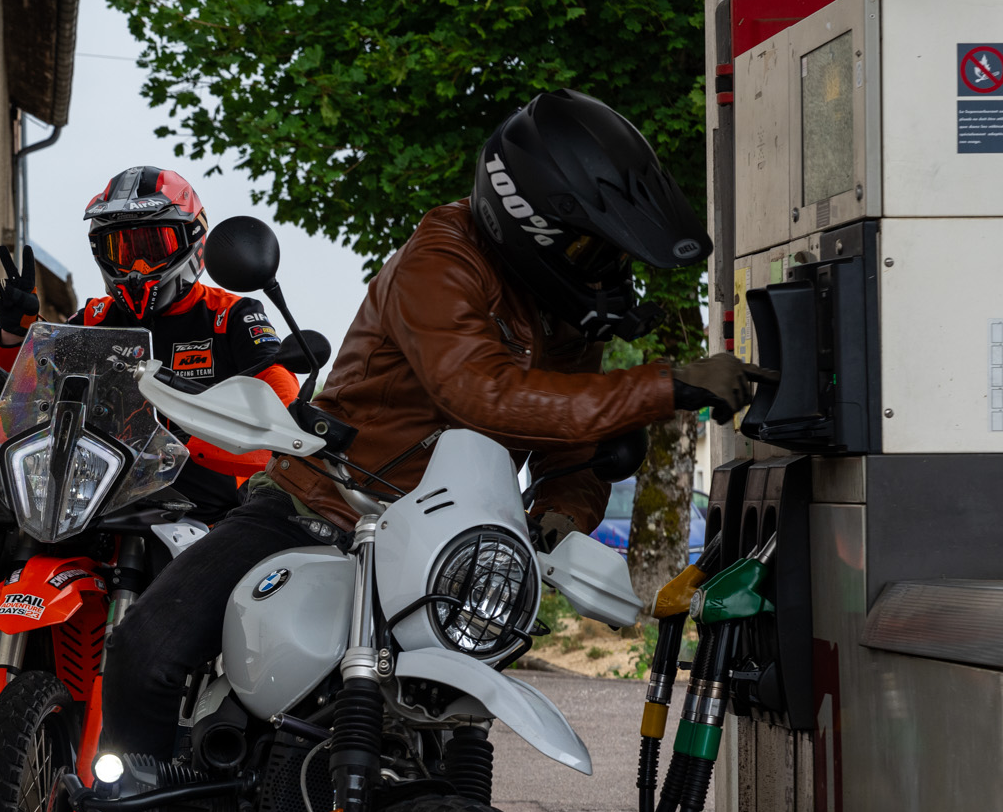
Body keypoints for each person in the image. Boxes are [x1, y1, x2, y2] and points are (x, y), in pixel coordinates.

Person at [100, 89, 773, 759]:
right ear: (531, 223)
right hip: (324, 503)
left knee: (455, 727)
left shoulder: (563, 310)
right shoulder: (443, 257)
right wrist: (666, 384)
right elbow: (483, 392)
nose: (605, 271)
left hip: (443, 543)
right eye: (591, 250)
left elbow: (568, 439)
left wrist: (560, 512)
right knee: (148, 648)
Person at [0, 167, 299, 525]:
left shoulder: (229, 315)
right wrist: (16, 334)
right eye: (122, 249)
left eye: (153, 247)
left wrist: (276, 428)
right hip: (93, 501)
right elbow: (24, 394)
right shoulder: (93, 318)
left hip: (209, 511)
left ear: (191, 239)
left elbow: (279, 387)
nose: (137, 268)